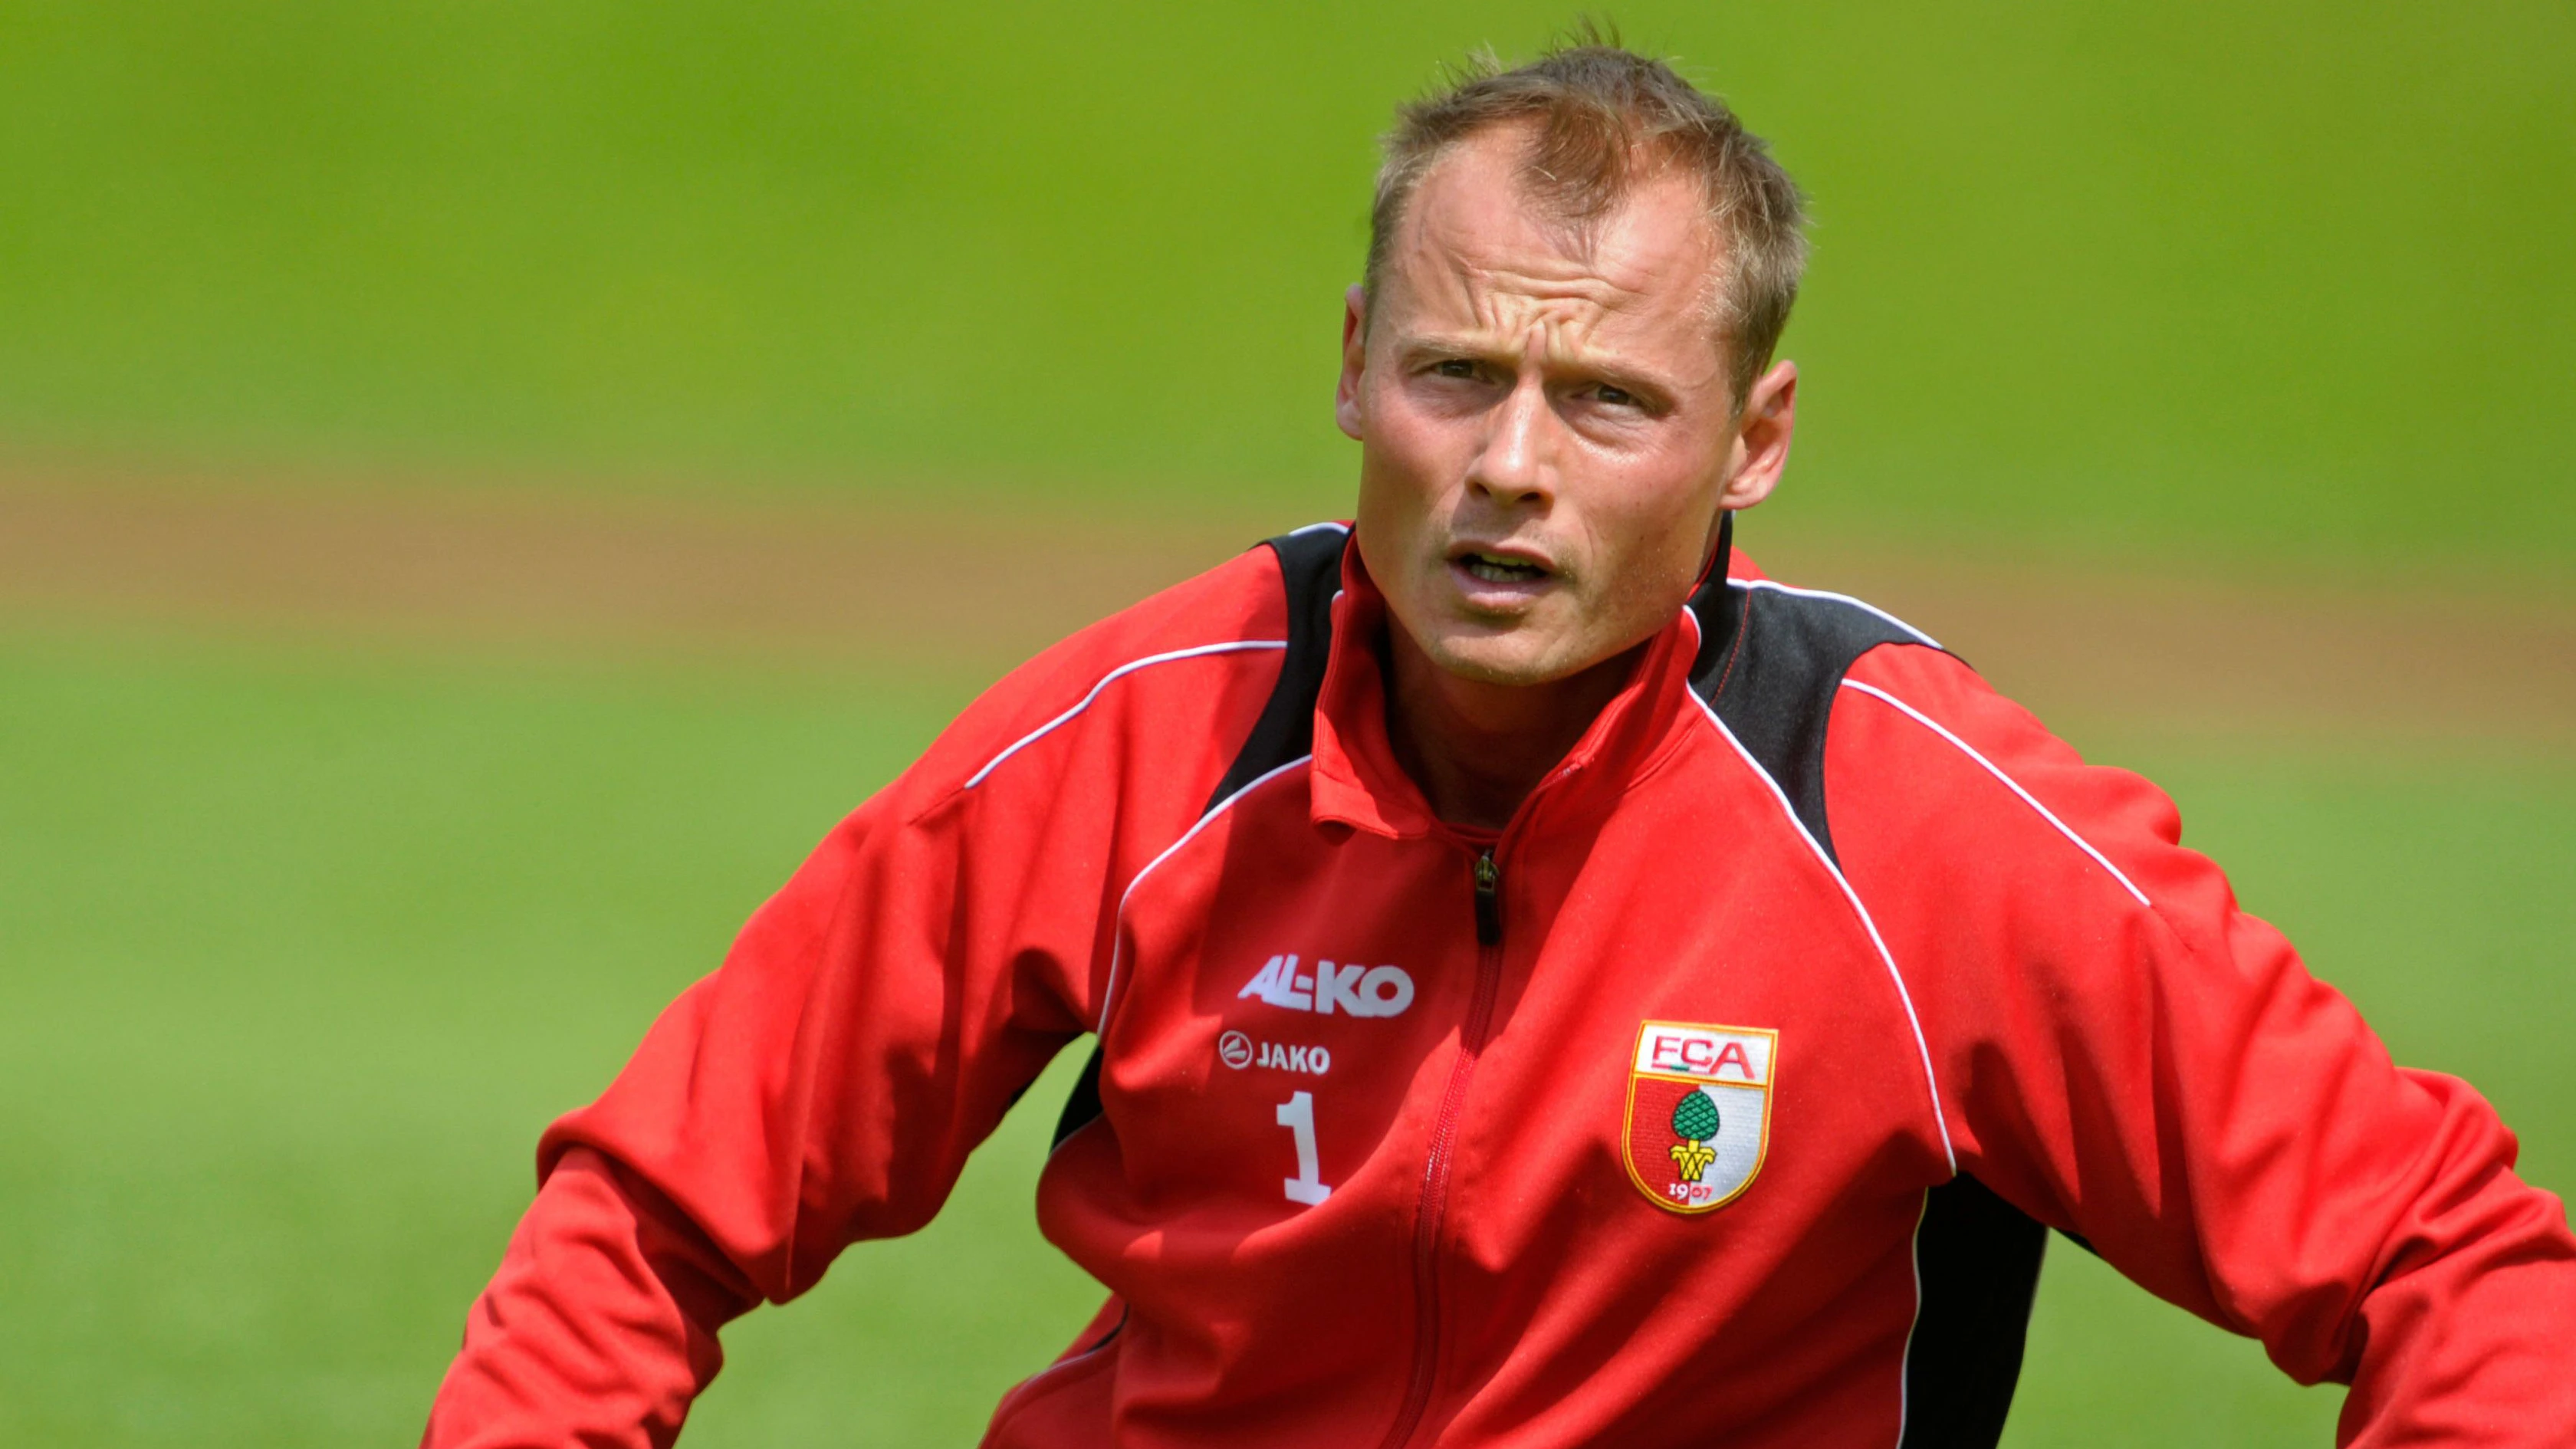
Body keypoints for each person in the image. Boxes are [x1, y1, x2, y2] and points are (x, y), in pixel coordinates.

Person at [422, 41, 2576, 1448]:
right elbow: (660, 1200)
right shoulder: (1157, 731)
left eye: (1611, 404)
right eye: (1458, 376)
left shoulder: (1913, 818)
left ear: (1756, 440)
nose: (1510, 472)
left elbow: (2448, 1259)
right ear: (1355, 367)